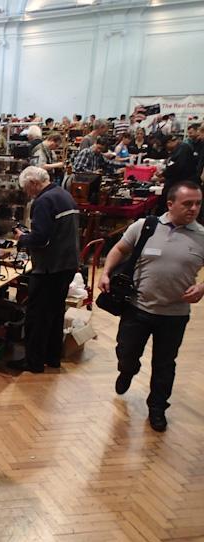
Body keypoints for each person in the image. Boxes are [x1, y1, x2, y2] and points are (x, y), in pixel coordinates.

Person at [98, 181, 204, 432]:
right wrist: (105, 272)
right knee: (126, 352)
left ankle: (157, 408)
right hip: (137, 308)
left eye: (198, 204)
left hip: (175, 315)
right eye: (187, 203)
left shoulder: (201, 235)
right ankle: (127, 370)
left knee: (164, 365)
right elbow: (119, 249)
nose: (193, 208)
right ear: (170, 204)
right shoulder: (145, 226)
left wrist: (202, 287)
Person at [8, 166, 80, 373]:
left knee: (37, 316)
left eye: (26, 188)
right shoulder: (64, 195)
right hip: (67, 264)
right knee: (55, 313)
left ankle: (34, 362)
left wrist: (23, 238)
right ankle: (52, 357)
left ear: (33, 183)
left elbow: (41, 239)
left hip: (50, 267)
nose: (27, 193)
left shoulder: (43, 201)